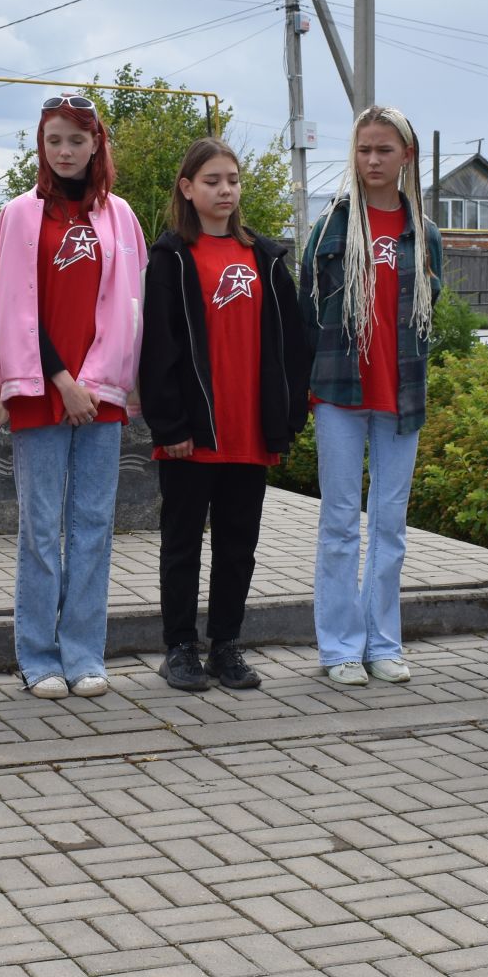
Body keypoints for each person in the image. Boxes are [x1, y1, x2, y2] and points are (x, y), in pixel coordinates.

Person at [0, 94, 146, 700]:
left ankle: (84, 652)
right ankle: (39, 655)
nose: (65, 151)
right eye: (54, 141)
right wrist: (63, 380)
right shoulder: (21, 215)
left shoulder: (121, 216)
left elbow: (128, 309)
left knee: (94, 524)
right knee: (41, 526)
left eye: (77, 139)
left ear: (96, 143)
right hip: (40, 390)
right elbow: (13, 306)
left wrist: (94, 382)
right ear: (41, 147)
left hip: (103, 395)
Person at [139, 138, 309, 692]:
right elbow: (158, 350)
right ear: (188, 189)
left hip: (249, 431)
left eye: (232, 180)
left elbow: (293, 343)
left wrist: (285, 420)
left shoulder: (264, 257)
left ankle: (227, 646)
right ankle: (180, 648)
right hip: (193, 435)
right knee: (182, 543)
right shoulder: (170, 259)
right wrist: (171, 426)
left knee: (239, 544)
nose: (225, 190)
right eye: (212, 181)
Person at [299, 106, 445, 687]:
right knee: (338, 522)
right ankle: (338, 647)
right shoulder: (333, 225)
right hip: (338, 391)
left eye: (385, 150)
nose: (374, 160)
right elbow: (308, 310)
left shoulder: (424, 233)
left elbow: (426, 319)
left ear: (405, 155)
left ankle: (383, 643)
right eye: (364, 150)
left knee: (390, 523)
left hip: (399, 395)